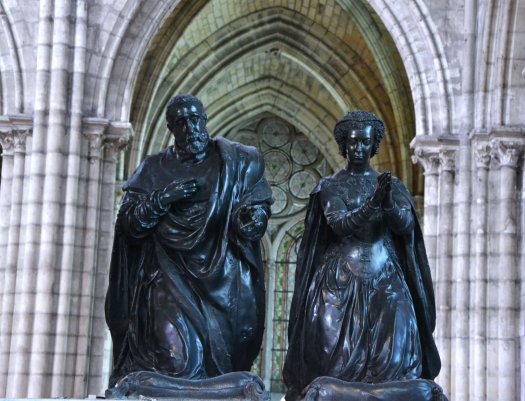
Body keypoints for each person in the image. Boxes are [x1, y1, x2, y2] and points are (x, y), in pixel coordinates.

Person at [105, 94, 273, 388]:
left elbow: (256, 204)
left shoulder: (235, 161)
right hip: (169, 278)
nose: (191, 127)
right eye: (181, 122)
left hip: (223, 278)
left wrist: (254, 218)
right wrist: (163, 198)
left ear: (205, 121)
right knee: (175, 361)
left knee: (222, 365)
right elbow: (129, 224)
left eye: (196, 119)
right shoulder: (155, 167)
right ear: (172, 128)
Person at [282, 111, 441, 401]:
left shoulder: (389, 186)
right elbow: (341, 225)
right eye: (353, 143)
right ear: (344, 145)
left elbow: (405, 227)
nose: (358, 149)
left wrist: (389, 202)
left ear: (373, 145)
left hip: (386, 278)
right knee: (335, 359)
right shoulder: (330, 186)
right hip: (340, 280)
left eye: (364, 143)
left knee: (398, 356)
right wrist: (373, 202)